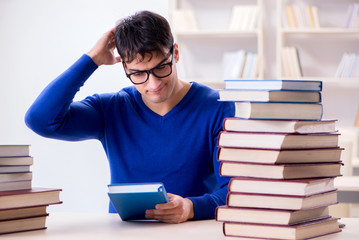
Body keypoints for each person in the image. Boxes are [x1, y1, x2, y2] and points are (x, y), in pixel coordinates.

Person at [25, 10, 234, 223]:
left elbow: (236, 190)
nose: (153, 84)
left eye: (161, 67)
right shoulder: (110, 109)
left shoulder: (218, 108)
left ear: (175, 54)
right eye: (138, 73)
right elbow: (41, 120)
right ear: (124, 67)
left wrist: (191, 207)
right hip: (122, 234)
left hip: (192, 233)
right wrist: (91, 60)